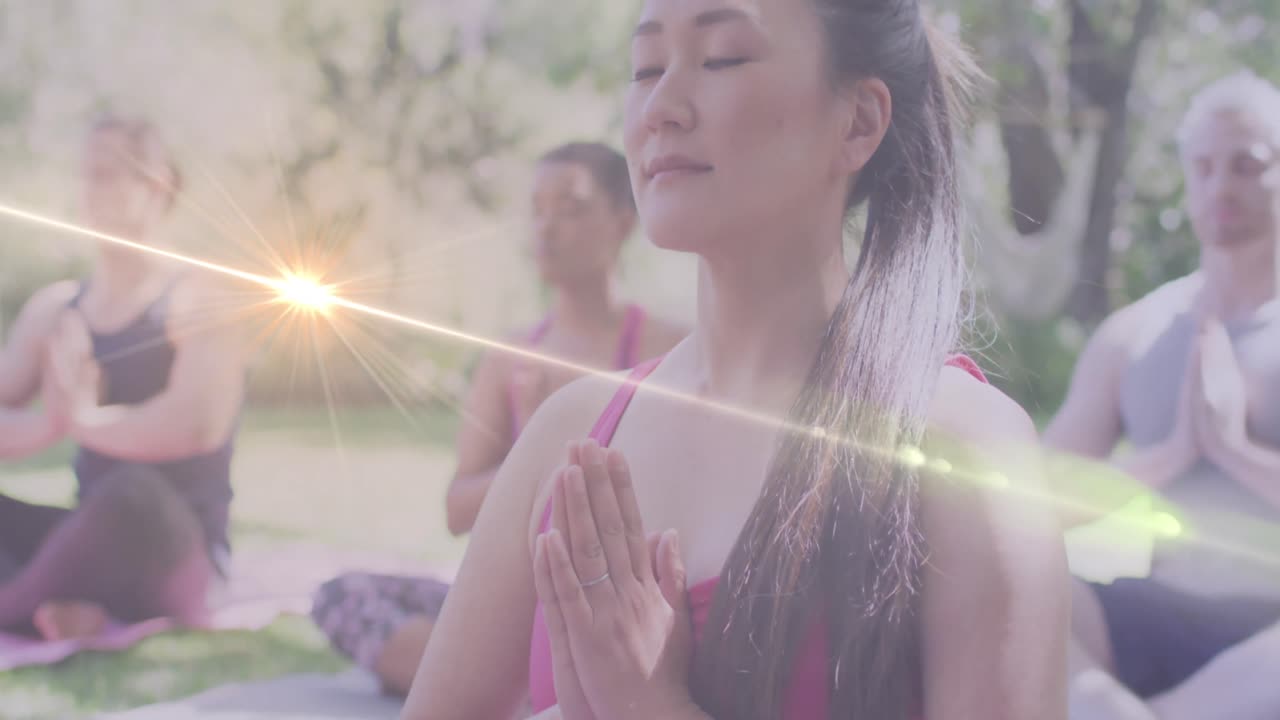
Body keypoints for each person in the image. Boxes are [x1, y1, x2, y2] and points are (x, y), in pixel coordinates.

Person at [403, 1, 1069, 718]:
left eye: (721, 57)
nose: (660, 107)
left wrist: (647, 704)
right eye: (646, 68)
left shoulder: (965, 452)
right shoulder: (568, 438)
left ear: (860, 120)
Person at [310, 141, 685, 696]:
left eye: (570, 206)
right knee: (342, 597)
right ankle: (515, 689)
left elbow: (677, 498)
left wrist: (568, 443)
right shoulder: (510, 357)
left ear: (621, 223)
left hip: (620, 609)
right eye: (536, 208)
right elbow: (459, 508)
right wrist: (532, 449)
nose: (546, 226)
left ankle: (504, 689)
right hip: (515, 605)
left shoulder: (666, 346)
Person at [1045, 71, 1280, 719]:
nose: (1220, 187)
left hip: (1269, 632)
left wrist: (1234, 451)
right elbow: (1032, 504)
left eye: (1246, 165)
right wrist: (1171, 456)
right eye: (1203, 167)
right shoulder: (1133, 336)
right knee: (1014, 587)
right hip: (1153, 612)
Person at [0, 114, 247, 639]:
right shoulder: (57, 308)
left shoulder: (201, 296)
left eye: (108, 174)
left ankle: (19, 606)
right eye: (85, 174)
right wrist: (50, 426)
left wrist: (84, 421)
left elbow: (198, 424)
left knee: (129, 492)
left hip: (177, 551)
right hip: (88, 543)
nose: (90, 190)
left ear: (158, 185)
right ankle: (65, 606)